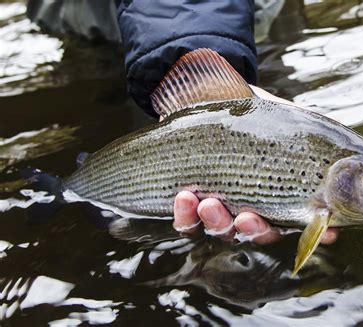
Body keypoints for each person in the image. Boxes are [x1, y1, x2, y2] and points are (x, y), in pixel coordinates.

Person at [27, 0, 339, 245]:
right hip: (94, 16)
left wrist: (218, 75)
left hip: (241, 13)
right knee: (103, 83)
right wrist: (192, 55)